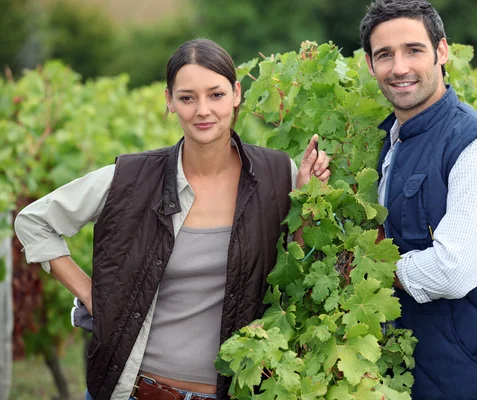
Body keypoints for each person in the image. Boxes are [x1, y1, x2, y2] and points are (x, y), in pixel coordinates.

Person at [14, 38, 330, 400]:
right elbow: (33, 222)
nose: (202, 110)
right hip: (134, 391)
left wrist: (307, 198)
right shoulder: (132, 178)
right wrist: (91, 294)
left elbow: (293, 268)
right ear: (169, 101)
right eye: (187, 97)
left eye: (215, 94)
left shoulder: (277, 173)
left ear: (236, 94)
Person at [359, 1, 477, 398]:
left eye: (413, 50)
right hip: (425, 378)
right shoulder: (392, 144)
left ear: (441, 51)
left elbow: (454, 269)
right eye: (385, 55)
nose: (399, 67)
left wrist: (368, 265)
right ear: (369, 64)